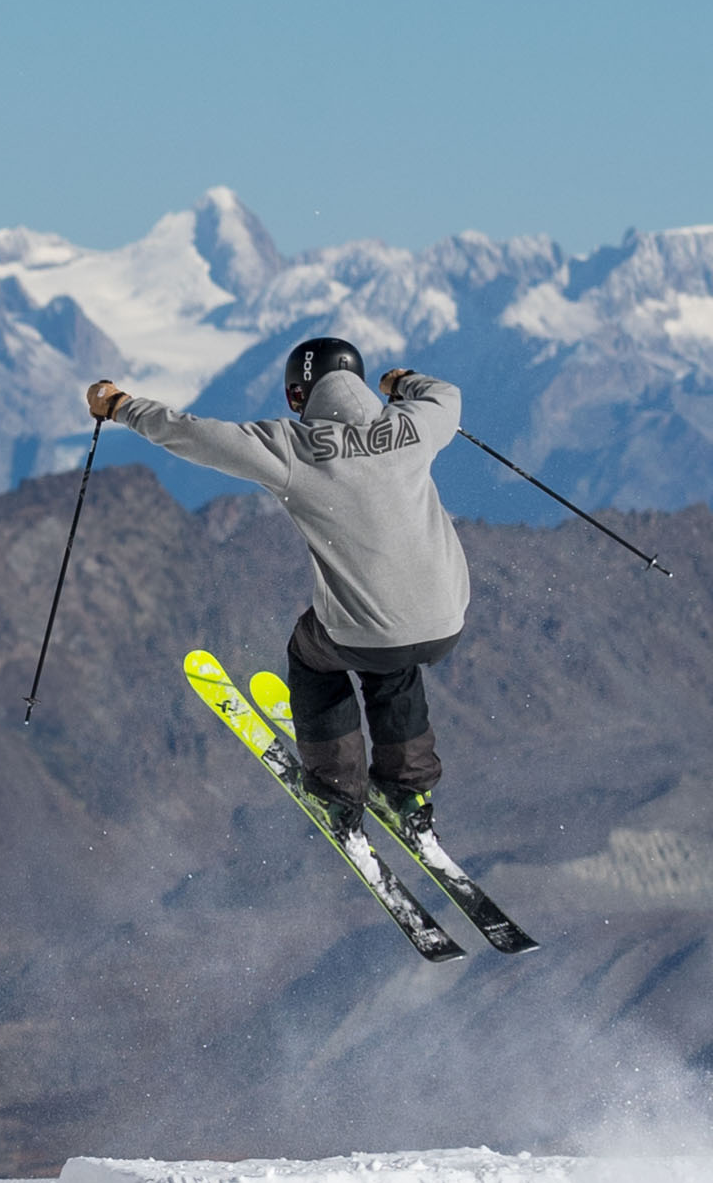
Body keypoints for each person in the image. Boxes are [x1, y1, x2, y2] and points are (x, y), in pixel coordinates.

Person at [85, 337, 467, 836]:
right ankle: (407, 789)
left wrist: (120, 405)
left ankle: (338, 792)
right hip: (446, 620)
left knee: (313, 655)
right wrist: (403, 382)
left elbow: (195, 436)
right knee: (390, 660)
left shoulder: (293, 448)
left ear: (298, 398)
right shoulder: (414, 424)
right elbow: (448, 396)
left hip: (366, 632)